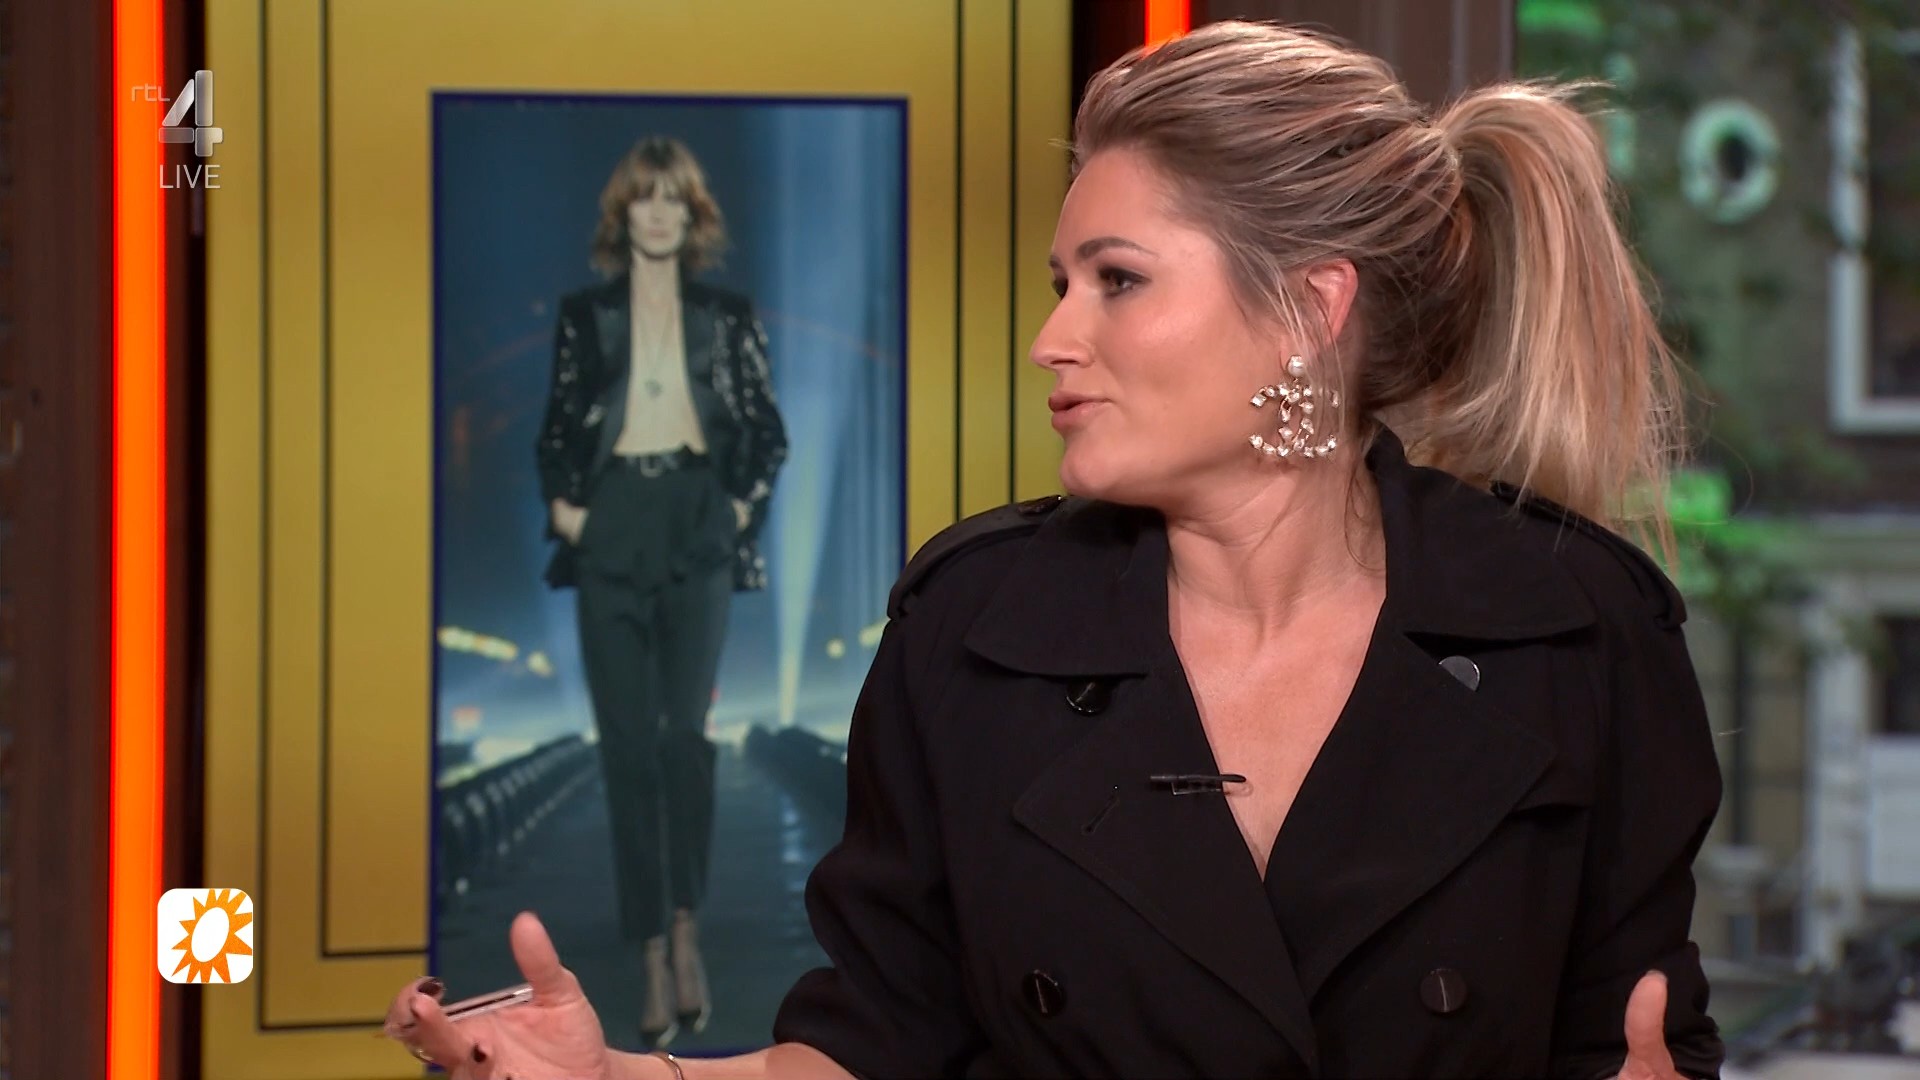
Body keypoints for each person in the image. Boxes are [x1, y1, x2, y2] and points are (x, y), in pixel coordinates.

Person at [394, 21, 1725, 1078]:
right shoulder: (973, 626)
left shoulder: (1582, 631)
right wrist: (626, 1076)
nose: (1053, 338)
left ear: (1308, 311)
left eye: (1117, 279)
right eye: (1059, 284)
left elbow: (1641, 1042)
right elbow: (872, 1048)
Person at [532, 135, 788, 1047]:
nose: (658, 213)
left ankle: (686, 931)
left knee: (685, 741)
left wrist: (738, 508)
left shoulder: (727, 315)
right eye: (644, 198)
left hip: (696, 518)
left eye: (673, 198)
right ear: (625, 212)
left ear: (692, 214)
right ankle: (647, 949)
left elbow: (766, 431)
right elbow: (556, 430)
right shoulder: (585, 315)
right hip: (612, 521)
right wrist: (570, 515)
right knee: (628, 751)